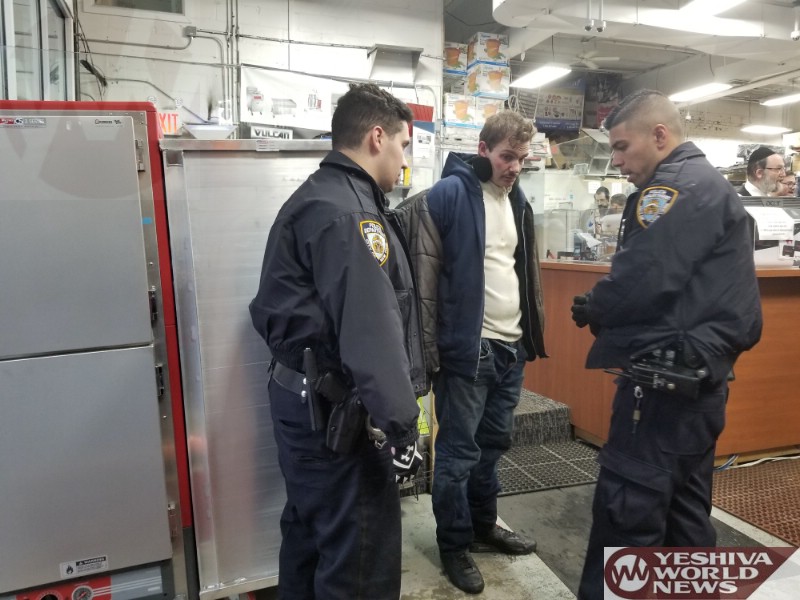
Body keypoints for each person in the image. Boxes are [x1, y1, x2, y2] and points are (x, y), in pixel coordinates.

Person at [570, 89, 763, 599]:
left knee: (628, 519)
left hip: (661, 391)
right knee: (685, 521)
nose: (616, 161)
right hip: (698, 386)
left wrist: (596, 307)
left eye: (621, 146)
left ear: (659, 135)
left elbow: (643, 277)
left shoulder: (674, 188)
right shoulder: (709, 184)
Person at [249, 82, 425, 600]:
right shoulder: (351, 215)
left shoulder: (319, 197)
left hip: (303, 405)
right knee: (359, 564)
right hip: (334, 419)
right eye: (404, 145)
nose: (405, 159)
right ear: (377, 137)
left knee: (310, 540)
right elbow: (371, 329)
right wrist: (403, 428)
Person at [425, 110, 547, 594]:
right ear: (482, 150)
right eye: (506, 157)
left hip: (510, 349)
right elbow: (425, 277)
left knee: (492, 448)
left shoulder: (516, 198)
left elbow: (518, 269)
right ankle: (454, 544)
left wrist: (526, 338)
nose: (514, 167)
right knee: (457, 455)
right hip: (468, 351)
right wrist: (433, 347)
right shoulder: (450, 194)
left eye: (522, 159)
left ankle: (482, 525)